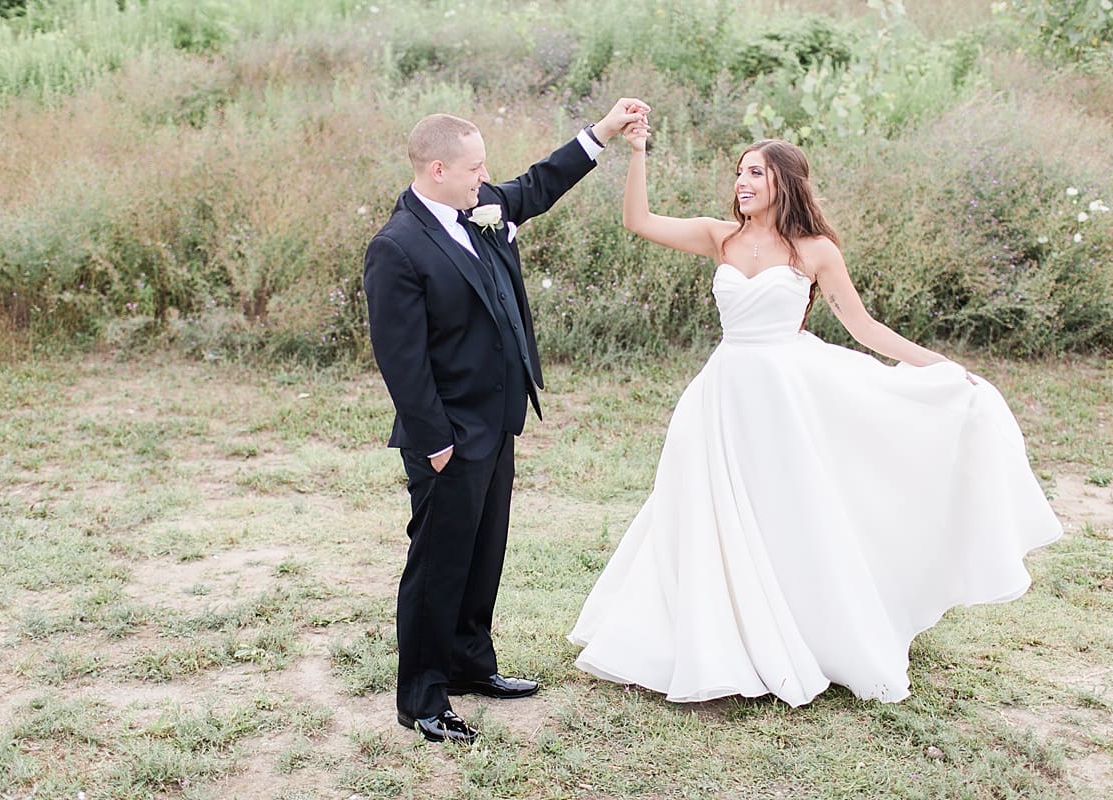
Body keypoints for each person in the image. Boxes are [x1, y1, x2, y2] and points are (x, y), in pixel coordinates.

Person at [567, 123, 1062, 707]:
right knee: (708, 507)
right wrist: (638, 152)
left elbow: (862, 326)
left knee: (788, 507)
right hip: (723, 394)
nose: (741, 181)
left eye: (755, 171)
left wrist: (941, 366)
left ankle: (804, 624)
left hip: (785, 394)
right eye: (739, 171)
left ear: (785, 181)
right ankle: (709, 633)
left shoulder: (814, 251)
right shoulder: (720, 237)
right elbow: (638, 222)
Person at [365, 98, 650, 743]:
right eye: (474, 167)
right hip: (447, 436)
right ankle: (423, 697)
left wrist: (602, 132)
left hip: (497, 422)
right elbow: (400, 359)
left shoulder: (478, 207)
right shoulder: (397, 246)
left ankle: (470, 664)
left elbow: (539, 184)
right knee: (438, 562)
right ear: (437, 169)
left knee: (482, 551)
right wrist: (436, 442)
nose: (484, 177)